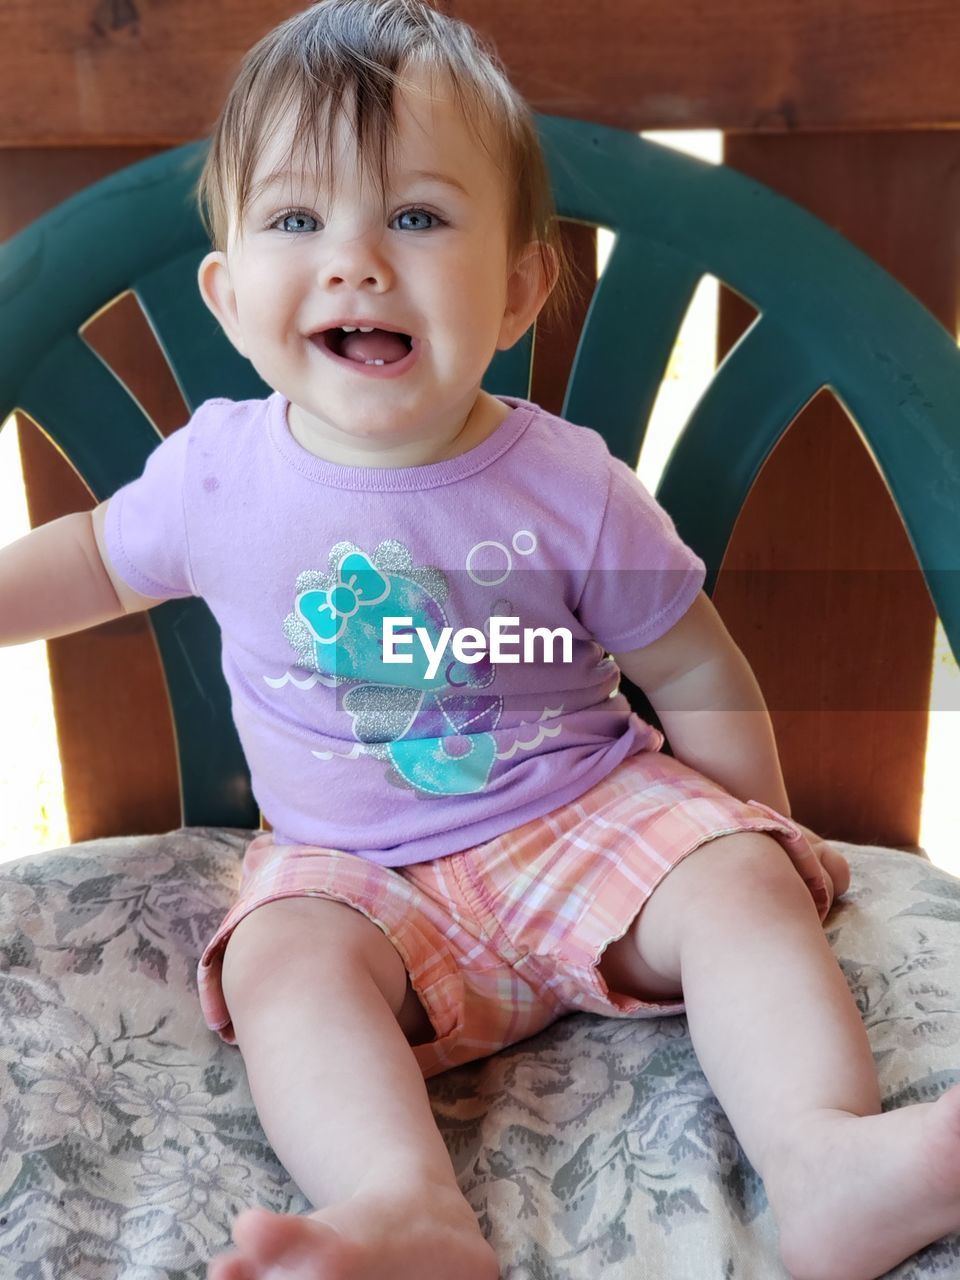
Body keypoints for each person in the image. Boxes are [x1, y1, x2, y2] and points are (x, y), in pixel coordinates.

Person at [3, 2, 960, 1277]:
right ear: (231, 298)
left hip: (583, 818)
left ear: (515, 288)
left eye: (415, 216)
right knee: (285, 961)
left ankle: (825, 1159)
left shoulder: (569, 484)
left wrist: (757, 842)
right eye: (298, 220)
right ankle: (405, 1207)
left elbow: (690, 665)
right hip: (353, 871)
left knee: (729, 880)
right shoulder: (215, 479)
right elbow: (82, 558)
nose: (355, 262)